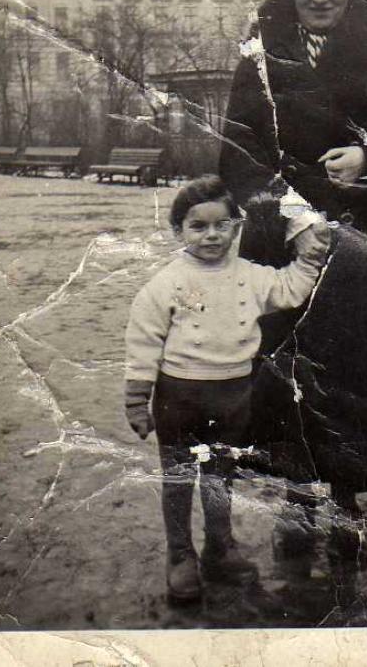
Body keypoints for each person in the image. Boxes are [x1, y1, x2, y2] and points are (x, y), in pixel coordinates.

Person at [219, 0, 367, 561]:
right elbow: (235, 149)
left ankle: (346, 504)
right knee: (286, 370)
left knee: (353, 373)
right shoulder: (261, 54)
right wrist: (292, 216)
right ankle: (296, 498)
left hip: (358, 239)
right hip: (280, 240)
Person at [123, 174, 329, 601]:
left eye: (222, 225)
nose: (211, 235)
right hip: (178, 399)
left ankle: (219, 550)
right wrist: (137, 400)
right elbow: (143, 342)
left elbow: (289, 289)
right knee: (178, 480)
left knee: (220, 478)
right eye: (198, 226)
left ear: (237, 227)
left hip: (233, 397)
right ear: (178, 231)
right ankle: (180, 557)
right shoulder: (164, 284)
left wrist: (310, 259)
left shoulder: (249, 277)